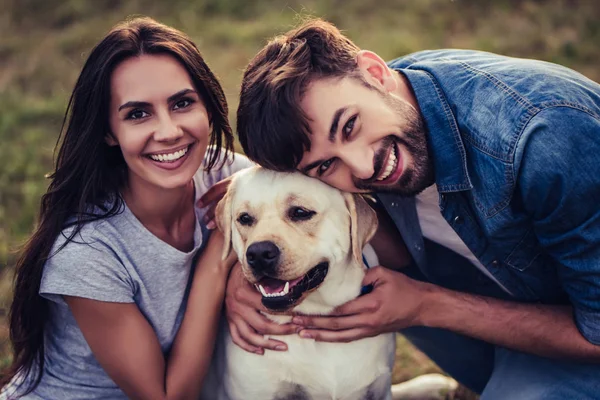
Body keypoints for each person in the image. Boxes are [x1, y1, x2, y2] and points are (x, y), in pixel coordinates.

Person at [224, 19, 600, 399]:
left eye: (350, 126)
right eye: (325, 166)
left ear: (375, 71)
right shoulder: (377, 99)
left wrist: (427, 305)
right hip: (534, 299)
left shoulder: (546, 139)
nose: (362, 166)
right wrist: (258, 263)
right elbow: (379, 242)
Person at [0, 17, 253, 399]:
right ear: (107, 132)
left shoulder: (226, 174)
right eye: (138, 114)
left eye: (182, 103)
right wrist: (218, 259)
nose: (168, 131)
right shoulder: (87, 252)